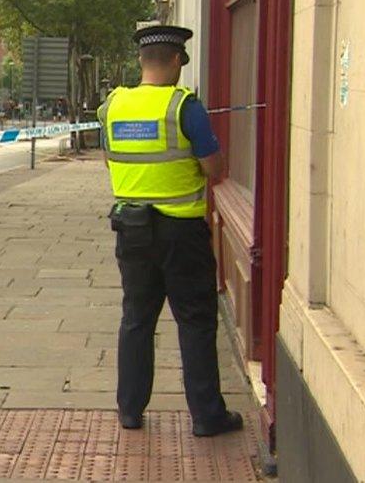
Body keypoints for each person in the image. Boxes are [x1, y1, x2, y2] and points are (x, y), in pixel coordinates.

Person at [97, 25, 243, 437]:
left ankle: (129, 410)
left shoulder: (112, 107)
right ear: (177, 60)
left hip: (131, 229)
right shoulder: (184, 107)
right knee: (195, 321)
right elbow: (216, 169)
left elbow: (110, 160)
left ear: (142, 61)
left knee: (137, 319)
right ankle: (207, 416)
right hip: (182, 232)